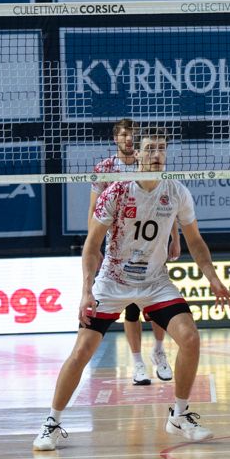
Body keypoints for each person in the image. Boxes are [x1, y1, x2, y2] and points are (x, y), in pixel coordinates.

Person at [35, 129, 230, 452]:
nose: (156, 154)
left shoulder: (177, 192)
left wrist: (212, 277)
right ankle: (52, 423)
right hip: (112, 282)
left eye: (162, 148)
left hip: (154, 282)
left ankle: (179, 415)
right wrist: (86, 291)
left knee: (191, 338)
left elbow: (195, 241)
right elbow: (92, 245)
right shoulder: (117, 192)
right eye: (150, 148)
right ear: (136, 155)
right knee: (82, 352)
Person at [89, 117, 179, 386]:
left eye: (132, 135)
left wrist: (175, 238)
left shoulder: (153, 161)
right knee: (130, 309)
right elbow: (94, 211)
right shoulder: (105, 168)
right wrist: (93, 247)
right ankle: (138, 362)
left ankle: (159, 352)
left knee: (157, 305)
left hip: (152, 242)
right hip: (120, 245)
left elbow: (167, 201)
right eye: (123, 135)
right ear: (115, 138)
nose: (128, 139)